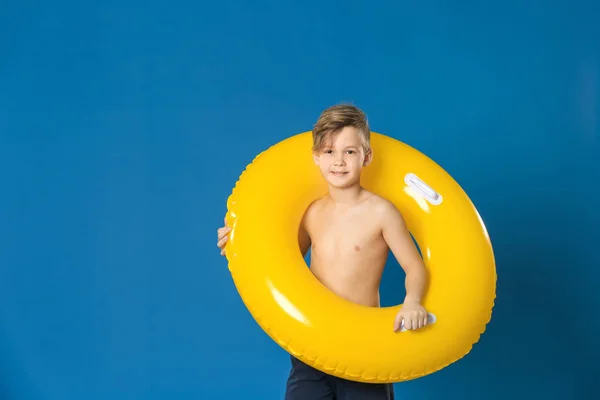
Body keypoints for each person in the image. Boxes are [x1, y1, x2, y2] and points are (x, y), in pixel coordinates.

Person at [216, 104, 429, 399]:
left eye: (349, 152)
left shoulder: (381, 212)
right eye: (329, 152)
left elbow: (415, 268)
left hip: (361, 347)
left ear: (366, 157)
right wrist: (239, 245)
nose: (339, 162)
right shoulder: (313, 212)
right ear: (317, 157)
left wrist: (413, 301)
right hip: (312, 347)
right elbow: (282, 263)